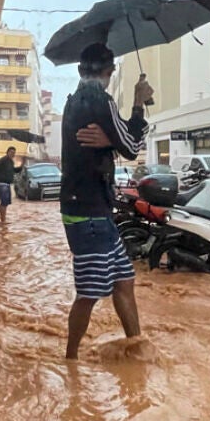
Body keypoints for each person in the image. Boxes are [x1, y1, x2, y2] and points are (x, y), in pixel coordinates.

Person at [58, 43, 153, 360]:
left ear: (79, 69)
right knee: (89, 293)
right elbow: (132, 146)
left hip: (92, 211)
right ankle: (70, 360)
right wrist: (138, 104)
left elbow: (112, 143)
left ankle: (137, 348)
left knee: (124, 281)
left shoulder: (73, 102)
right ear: (110, 72)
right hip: (89, 214)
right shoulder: (101, 100)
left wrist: (110, 141)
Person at [0, 146, 22, 223]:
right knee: (4, 203)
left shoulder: (10, 162)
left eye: (14, 153)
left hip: (6, 184)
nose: (13, 154)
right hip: (1, 184)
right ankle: (3, 221)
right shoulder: (2, 161)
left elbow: (13, 171)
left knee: (5, 203)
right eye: (11, 152)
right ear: (7, 152)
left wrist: (21, 167)